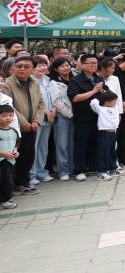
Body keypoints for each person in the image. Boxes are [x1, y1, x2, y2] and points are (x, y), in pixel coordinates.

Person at [8, 56, 45, 193]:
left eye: (26, 66)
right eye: (19, 66)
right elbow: (9, 106)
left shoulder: (34, 83)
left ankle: (24, 182)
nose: (22, 69)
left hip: (32, 126)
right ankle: (15, 185)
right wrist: (24, 123)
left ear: (32, 69)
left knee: (29, 156)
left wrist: (36, 121)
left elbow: (40, 104)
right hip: (15, 127)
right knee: (16, 156)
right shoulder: (8, 84)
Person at [29, 56, 56, 183]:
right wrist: (47, 112)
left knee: (43, 146)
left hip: (50, 117)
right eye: (39, 65)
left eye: (44, 65)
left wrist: (53, 111)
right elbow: (36, 100)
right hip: (37, 117)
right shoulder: (30, 81)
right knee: (33, 146)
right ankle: (32, 174)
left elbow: (54, 97)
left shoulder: (48, 79)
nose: (42, 68)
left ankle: (42, 172)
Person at [48, 58, 75, 180]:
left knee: (72, 144)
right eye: (62, 66)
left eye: (67, 65)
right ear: (56, 69)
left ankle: (71, 168)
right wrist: (70, 114)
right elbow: (57, 102)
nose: (66, 68)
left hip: (76, 116)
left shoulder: (74, 80)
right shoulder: (54, 83)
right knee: (62, 144)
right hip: (63, 116)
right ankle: (63, 171)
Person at [90, 90, 121, 179]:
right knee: (103, 152)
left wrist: (106, 91)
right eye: (113, 101)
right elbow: (93, 102)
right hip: (104, 133)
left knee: (112, 151)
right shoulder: (101, 109)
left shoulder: (114, 108)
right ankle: (101, 172)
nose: (115, 102)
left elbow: (118, 100)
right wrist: (101, 94)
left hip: (113, 132)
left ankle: (113, 168)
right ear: (107, 102)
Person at [0, 105, 19, 209]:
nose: (8, 118)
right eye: (4, 116)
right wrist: (3, 154)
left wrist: (15, 152)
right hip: (2, 160)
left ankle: (6, 200)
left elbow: (16, 144)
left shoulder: (14, 131)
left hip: (10, 161)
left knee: (8, 181)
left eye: (11, 115)